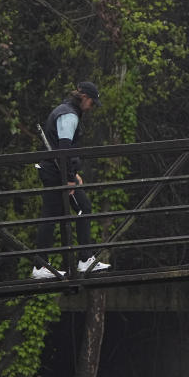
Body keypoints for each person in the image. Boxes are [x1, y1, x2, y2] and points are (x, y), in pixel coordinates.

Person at [33, 81, 111, 278]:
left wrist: (72, 174)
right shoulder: (69, 114)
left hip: (54, 170)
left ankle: (43, 264)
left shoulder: (65, 110)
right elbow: (65, 148)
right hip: (56, 172)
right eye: (92, 103)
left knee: (52, 215)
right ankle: (80, 260)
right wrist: (69, 178)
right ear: (84, 97)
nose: (91, 108)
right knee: (81, 207)